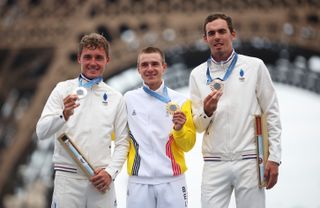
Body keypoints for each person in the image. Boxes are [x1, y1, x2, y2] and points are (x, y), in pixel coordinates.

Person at [189, 13, 282, 208]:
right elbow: (197, 126)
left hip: (249, 159)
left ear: (233, 34)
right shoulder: (197, 74)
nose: (217, 37)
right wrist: (206, 111)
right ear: (205, 39)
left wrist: (274, 158)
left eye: (222, 31)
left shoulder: (254, 66)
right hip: (214, 162)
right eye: (211, 33)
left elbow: (271, 112)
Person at [36, 33, 129, 208]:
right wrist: (63, 114)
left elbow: (123, 143)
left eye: (99, 58)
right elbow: (41, 132)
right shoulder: (62, 89)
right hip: (67, 180)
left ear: (107, 60)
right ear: (79, 58)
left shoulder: (116, 98)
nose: (93, 62)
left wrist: (110, 173)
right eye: (88, 57)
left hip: (102, 181)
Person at [124, 46, 196, 208]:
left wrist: (179, 129)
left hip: (172, 181)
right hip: (139, 182)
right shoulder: (128, 99)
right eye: (145, 65)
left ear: (164, 67)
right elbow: (115, 134)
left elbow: (188, 144)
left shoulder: (182, 101)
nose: (150, 69)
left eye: (155, 64)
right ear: (138, 69)